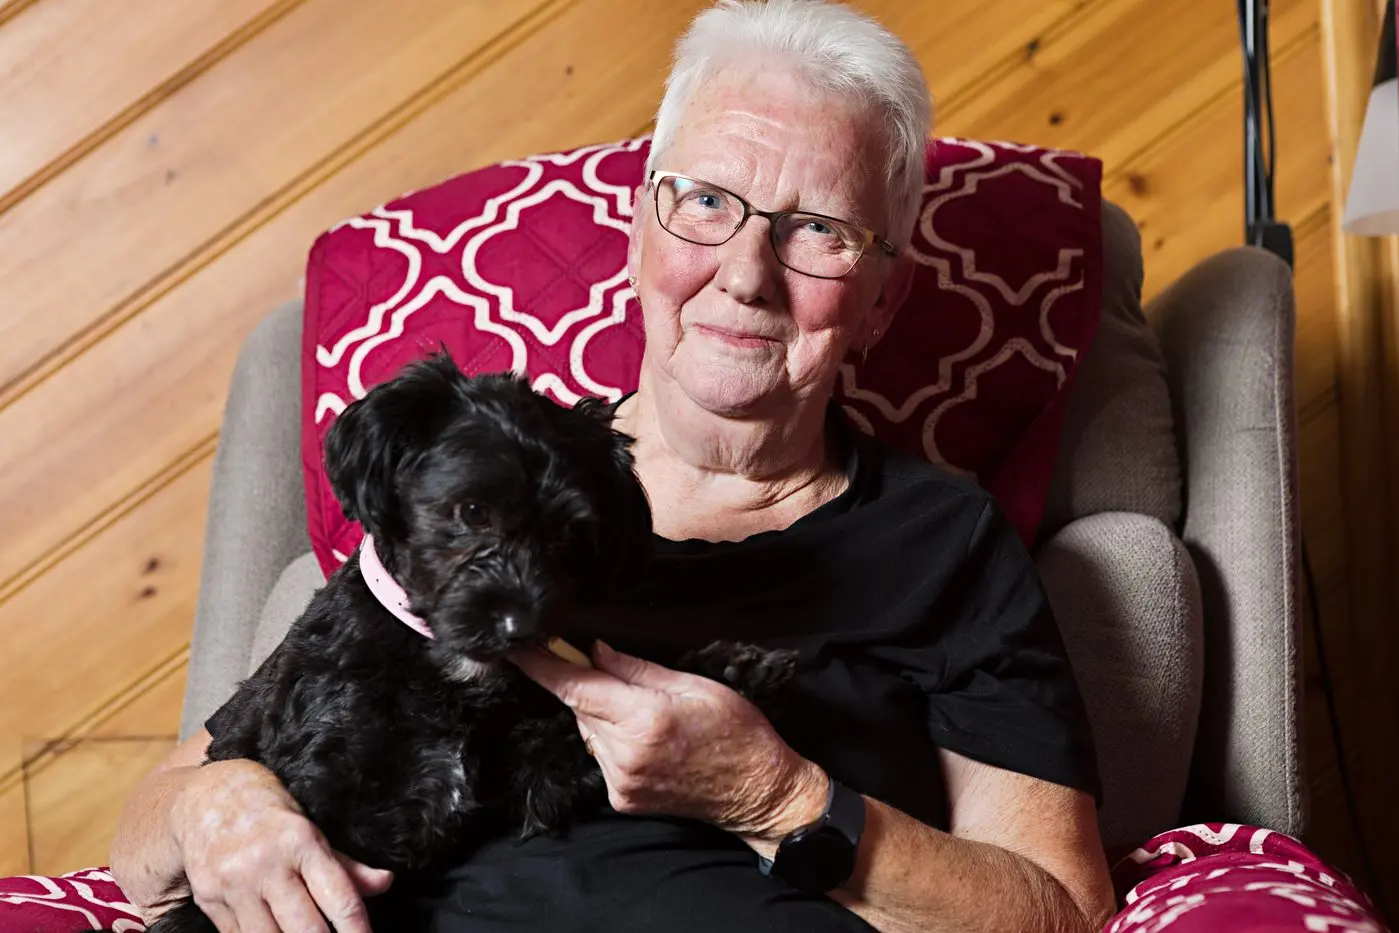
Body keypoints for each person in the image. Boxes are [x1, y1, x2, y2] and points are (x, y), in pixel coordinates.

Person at [110, 1, 1118, 930]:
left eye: (818, 230)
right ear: (641, 234)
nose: (745, 273)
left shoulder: (942, 545)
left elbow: (1059, 913)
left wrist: (776, 799)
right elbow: (153, 831)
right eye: (707, 202)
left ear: (882, 301)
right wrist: (216, 807)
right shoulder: (479, 481)